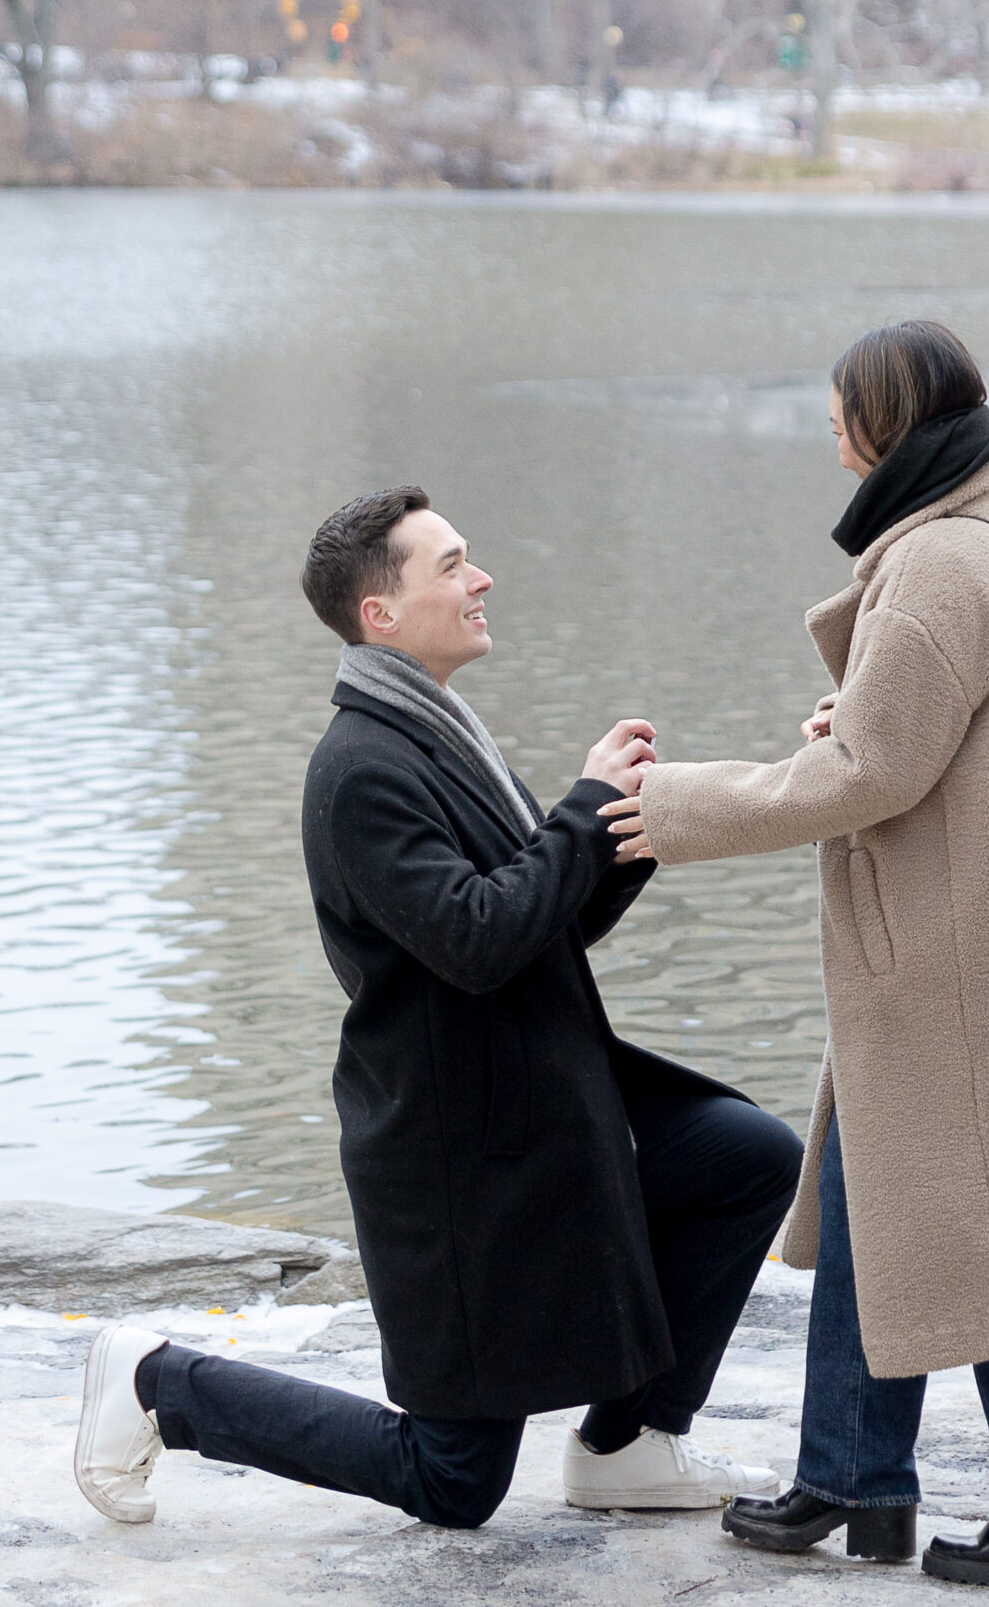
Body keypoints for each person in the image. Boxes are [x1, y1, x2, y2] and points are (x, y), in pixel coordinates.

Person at [74, 486, 801, 1533]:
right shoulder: (363, 768)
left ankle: (626, 1441)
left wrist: (619, 829)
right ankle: (154, 1381)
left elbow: (531, 922)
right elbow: (476, 936)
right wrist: (582, 814)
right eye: (452, 564)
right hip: (463, 1159)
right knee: (452, 1479)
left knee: (742, 1155)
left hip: (543, 1105)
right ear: (382, 613)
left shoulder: (432, 730)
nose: (481, 577)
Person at [614, 322, 989, 1586]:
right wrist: (862, 711)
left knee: (986, 1239)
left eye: (839, 411)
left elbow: (871, 772)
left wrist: (674, 811)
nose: (828, 429)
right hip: (980, 921)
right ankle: (852, 1476)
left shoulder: (936, 563)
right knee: (886, 1212)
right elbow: (949, 722)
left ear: (885, 418)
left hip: (946, 955)